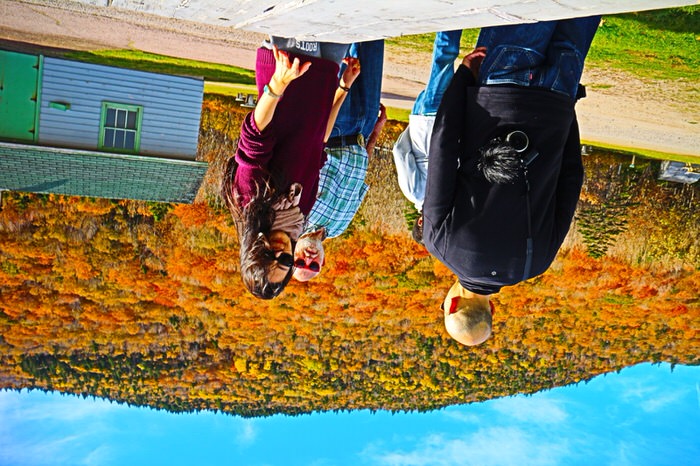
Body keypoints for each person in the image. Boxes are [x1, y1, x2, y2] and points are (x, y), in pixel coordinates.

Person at [424, 17, 601, 345]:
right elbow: (443, 150)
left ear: (492, 310)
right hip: (498, 95)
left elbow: (571, 178)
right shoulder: (439, 243)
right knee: (525, 10)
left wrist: (565, 111)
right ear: (452, 304)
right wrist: (463, 79)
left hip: (556, 99)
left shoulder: (537, 263)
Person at [222, 38, 361, 299]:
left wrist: (278, 82)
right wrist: (343, 88)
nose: (279, 252)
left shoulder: (250, 200)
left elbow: (254, 134)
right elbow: (318, 142)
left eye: (269, 256)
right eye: (285, 261)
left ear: (253, 250)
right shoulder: (300, 216)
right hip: (325, 77)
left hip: (289, 71)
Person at [294, 40, 386, 282]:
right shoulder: (339, 228)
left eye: (300, 262)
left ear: (293, 254)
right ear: (323, 262)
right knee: (373, 48)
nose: (309, 258)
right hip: (363, 129)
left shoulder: (296, 216)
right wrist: (375, 134)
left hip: (335, 126)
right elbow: (359, 178)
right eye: (314, 265)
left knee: (341, 49)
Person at [392, 31, 462, 245]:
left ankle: (450, 20)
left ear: (421, 221)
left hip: (429, 119)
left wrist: (416, 127)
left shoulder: (415, 192)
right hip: (448, 122)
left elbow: (400, 151)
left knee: (445, 59)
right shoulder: (448, 198)